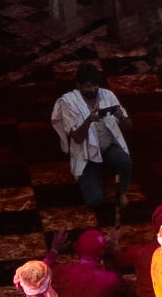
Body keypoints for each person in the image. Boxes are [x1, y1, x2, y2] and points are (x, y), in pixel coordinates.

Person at [49, 63, 132, 211]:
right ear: (78, 85)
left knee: (124, 159)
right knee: (94, 200)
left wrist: (122, 117)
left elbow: (128, 126)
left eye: (95, 86)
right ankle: (92, 175)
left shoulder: (107, 95)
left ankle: (122, 191)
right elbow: (77, 138)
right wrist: (89, 120)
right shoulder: (68, 102)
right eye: (88, 87)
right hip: (86, 156)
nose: (93, 90)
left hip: (108, 149)